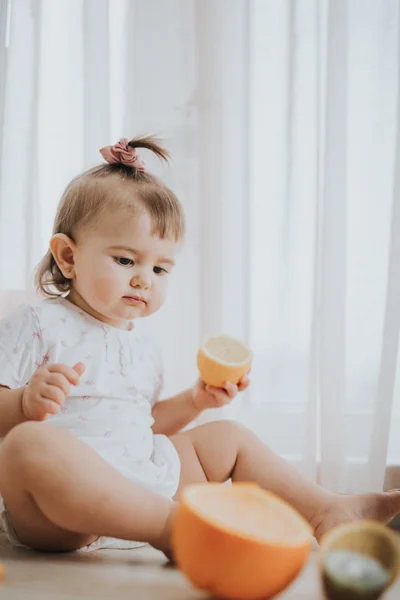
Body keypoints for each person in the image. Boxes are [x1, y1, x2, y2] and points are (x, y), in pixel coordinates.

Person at [0, 136, 398, 556]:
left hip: (144, 486)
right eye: (125, 260)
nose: (144, 279)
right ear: (67, 256)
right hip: (61, 513)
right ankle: (177, 528)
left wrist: (195, 400)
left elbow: (145, 425)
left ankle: (325, 512)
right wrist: (25, 403)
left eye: (159, 267)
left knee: (228, 437)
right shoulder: (38, 323)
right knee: (27, 447)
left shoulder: (144, 346)